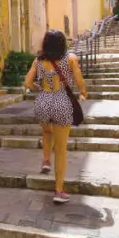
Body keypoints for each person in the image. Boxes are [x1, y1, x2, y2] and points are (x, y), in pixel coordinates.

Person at [23, 30, 88, 204]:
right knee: (60, 150)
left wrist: (40, 87)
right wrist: (83, 92)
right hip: (61, 100)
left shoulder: (38, 60)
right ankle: (59, 190)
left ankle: (45, 160)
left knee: (46, 131)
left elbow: (27, 82)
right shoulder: (71, 58)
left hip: (43, 100)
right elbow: (79, 80)